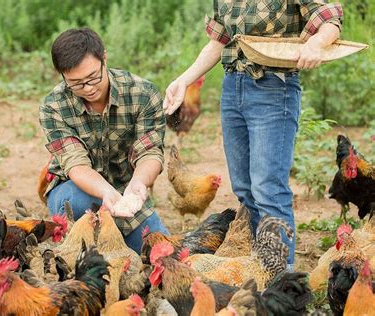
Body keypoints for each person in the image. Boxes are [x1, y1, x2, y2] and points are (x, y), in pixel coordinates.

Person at [163, 0, 343, 268]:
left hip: (274, 88)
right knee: (245, 188)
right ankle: (263, 264)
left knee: (268, 189)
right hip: (233, 86)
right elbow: (218, 42)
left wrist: (316, 44)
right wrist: (183, 80)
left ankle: (280, 278)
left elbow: (330, 19)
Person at [39, 28, 169, 254]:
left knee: (163, 251)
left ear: (104, 58)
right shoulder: (53, 107)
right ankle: (83, 251)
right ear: (62, 75)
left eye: (92, 77)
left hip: (126, 193)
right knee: (76, 203)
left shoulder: (143, 94)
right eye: (76, 83)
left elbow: (150, 152)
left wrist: (138, 184)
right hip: (77, 190)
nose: (88, 88)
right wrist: (106, 193)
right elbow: (76, 164)